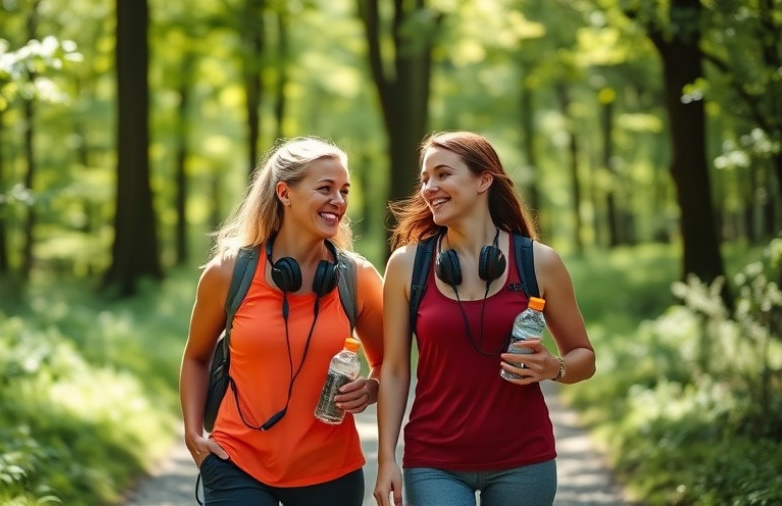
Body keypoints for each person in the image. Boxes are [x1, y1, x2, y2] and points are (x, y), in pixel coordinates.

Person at [373, 131, 596, 506]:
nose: (429, 187)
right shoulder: (407, 265)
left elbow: (584, 358)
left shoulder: (539, 262)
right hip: (434, 462)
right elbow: (395, 370)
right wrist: (385, 460)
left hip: (524, 461)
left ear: (483, 180)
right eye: (425, 178)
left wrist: (553, 367)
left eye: (443, 174)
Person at [179, 137, 384, 506]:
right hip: (235, 461)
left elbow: (392, 365)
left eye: (344, 190)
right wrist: (193, 435)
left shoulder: (358, 278)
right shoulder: (228, 273)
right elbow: (196, 357)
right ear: (284, 193)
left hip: (330, 471)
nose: (338, 200)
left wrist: (371, 389)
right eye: (325, 188)